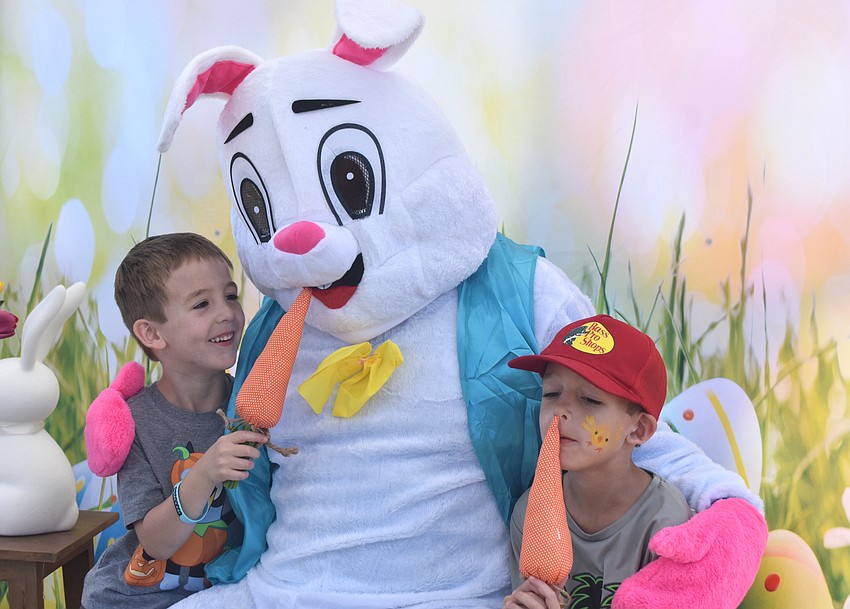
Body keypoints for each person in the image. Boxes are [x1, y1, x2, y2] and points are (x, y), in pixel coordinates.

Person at [82, 233, 268, 609]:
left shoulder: (257, 407)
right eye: (202, 303)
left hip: (228, 596)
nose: (226, 313)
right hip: (132, 599)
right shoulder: (134, 421)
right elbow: (157, 542)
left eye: (230, 295)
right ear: (152, 333)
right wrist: (203, 474)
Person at [504, 314, 693, 609]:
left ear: (639, 429)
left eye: (589, 399)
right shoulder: (529, 514)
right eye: (552, 393)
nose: (560, 411)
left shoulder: (665, 524)